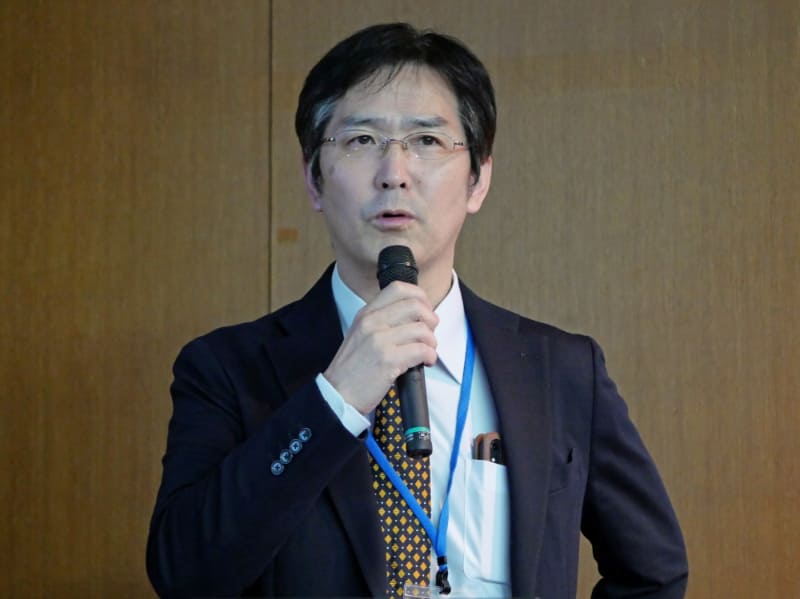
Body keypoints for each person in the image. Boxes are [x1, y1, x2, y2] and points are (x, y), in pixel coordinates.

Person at [146, 22, 688, 599]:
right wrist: (335, 399)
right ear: (314, 179)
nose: (394, 174)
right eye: (361, 140)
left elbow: (653, 572)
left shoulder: (562, 372)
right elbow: (185, 574)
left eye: (427, 140)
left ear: (478, 179)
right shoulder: (226, 369)